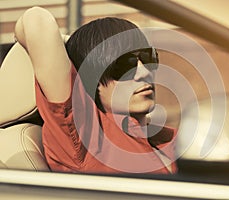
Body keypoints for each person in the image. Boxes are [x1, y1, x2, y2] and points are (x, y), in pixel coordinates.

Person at [14, 6, 177, 174]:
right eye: (124, 65)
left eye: (147, 58)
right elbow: (37, 20)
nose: (144, 72)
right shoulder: (87, 135)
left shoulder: (171, 137)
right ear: (93, 81)